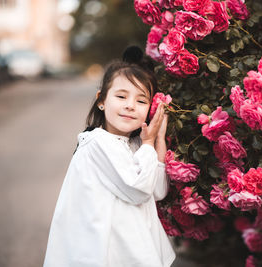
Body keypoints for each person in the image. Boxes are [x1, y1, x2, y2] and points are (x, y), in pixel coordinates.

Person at [43, 46, 175, 267]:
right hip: (106, 256)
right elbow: (138, 190)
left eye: (141, 101)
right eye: (121, 96)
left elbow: (158, 191)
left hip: (133, 251)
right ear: (101, 100)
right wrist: (149, 143)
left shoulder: (137, 145)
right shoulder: (97, 143)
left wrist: (158, 140)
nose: (130, 105)